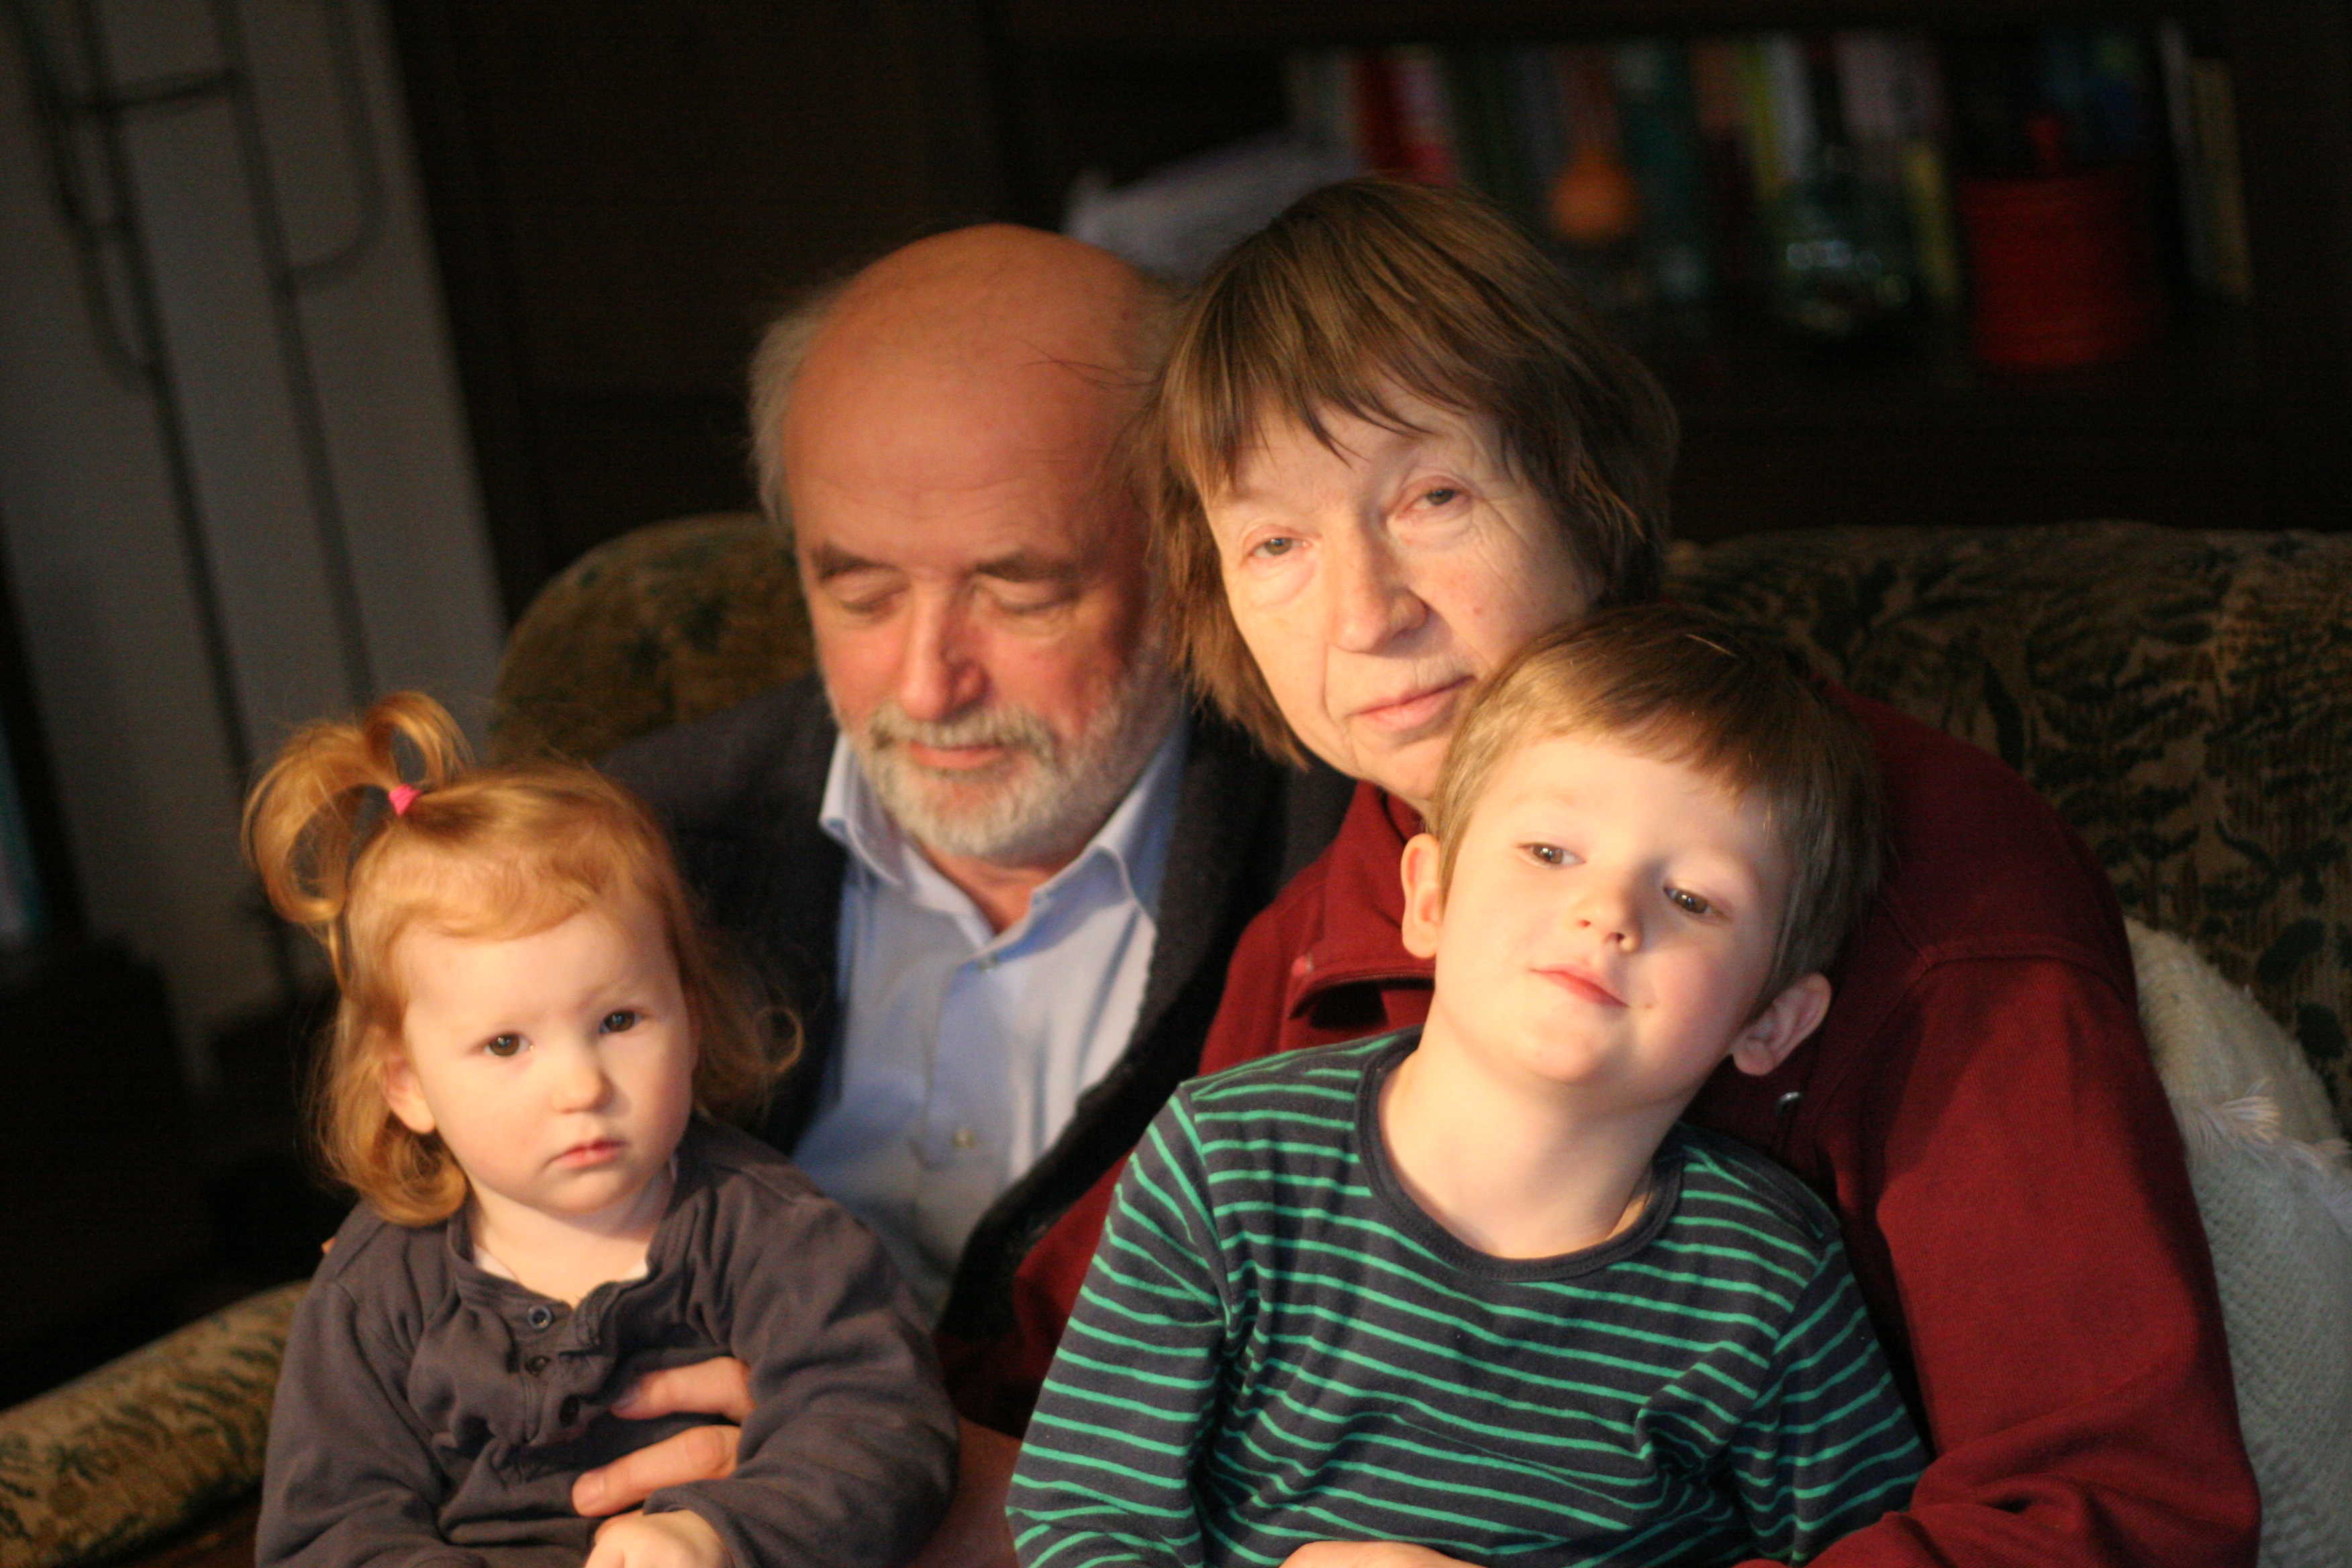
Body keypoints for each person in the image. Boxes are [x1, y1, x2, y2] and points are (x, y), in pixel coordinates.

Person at [1111, 177, 2257, 1567]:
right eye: (1275, 544)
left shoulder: (1929, 884)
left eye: (1434, 496)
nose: (1366, 615)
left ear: (1583, 497)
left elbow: (2114, 1516)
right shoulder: (1319, 925)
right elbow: (1074, 1412)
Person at [589, 226, 1347, 1539]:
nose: (929, 684)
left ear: (1191, 555)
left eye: (1020, 592)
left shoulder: (1355, 864)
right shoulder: (636, 851)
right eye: (860, 592)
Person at [1008, 607, 1926, 1568]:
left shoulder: (1765, 1279)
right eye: (1550, 853)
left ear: (1772, 1020)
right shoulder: (1228, 1163)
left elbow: (1868, 1551)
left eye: (1691, 899)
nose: (1606, 912)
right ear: (1430, 896)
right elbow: (1088, 1511)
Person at [249, 693, 956, 1568]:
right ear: (408, 1086)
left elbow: (882, 1429)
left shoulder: (772, 1232)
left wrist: (719, 1534)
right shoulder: (376, 1290)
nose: (581, 1086)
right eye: (506, 1044)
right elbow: (326, 1531)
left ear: (690, 1021)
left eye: (619, 1021)